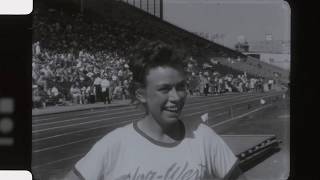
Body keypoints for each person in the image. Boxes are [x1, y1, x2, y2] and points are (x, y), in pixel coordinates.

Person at [64, 40, 245, 180]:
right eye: (164, 89)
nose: (176, 97)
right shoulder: (114, 145)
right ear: (141, 94)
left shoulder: (204, 138)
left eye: (181, 87)